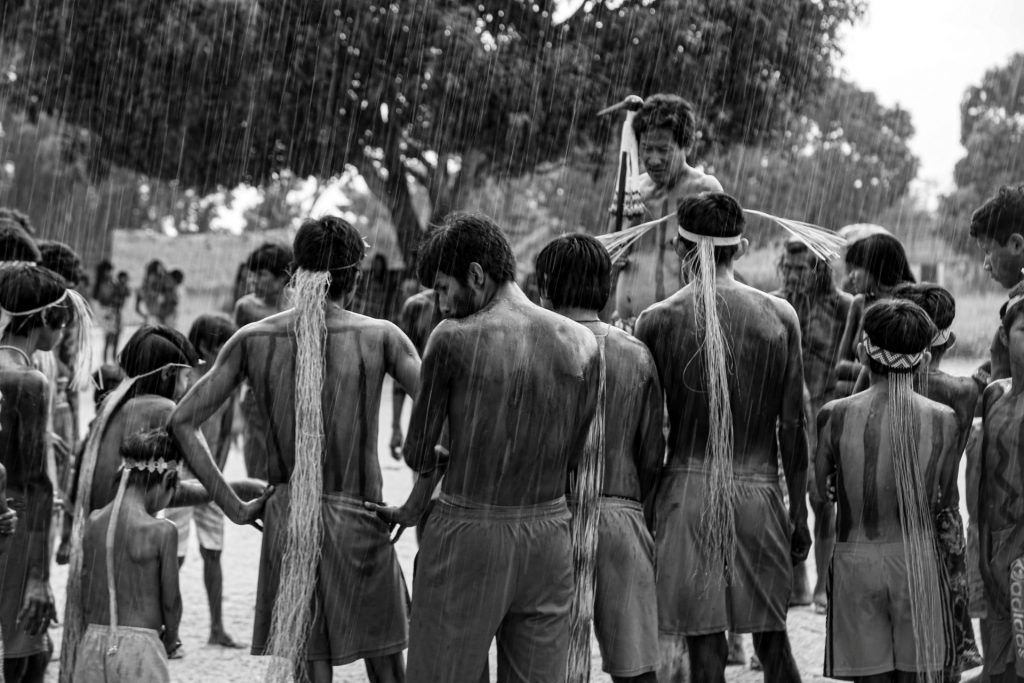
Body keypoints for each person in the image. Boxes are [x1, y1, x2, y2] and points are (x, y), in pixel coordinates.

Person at [171, 216, 419, 683]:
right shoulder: (381, 336)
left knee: (309, 663)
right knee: (386, 667)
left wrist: (234, 507)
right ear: (356, 275)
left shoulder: (253, 339)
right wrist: (414, 504)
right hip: (360, 517)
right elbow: (443, 418)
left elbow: (182, 421)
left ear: (295, 272)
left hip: (288, 521)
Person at [369, 212, 600, 682]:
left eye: (442, 287)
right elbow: (573, 455)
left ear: (476, 275)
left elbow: (417, 453)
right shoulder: (581, 343)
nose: (440, 303)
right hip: (550, 536)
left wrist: (439, 465)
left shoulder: (453, 339)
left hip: (470, 532)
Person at [635, 193, 809, 683]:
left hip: (687, 494)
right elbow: (794, 428)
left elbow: (650, 439)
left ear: (679, 247)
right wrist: (799, 511)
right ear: (743, 247)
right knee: (774, 646)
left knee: (705, 651)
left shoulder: (656, 321)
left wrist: (647, 510)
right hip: (758, 492)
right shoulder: (780, 316)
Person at [535, 233, 663, 683]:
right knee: (636, 670)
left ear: (545, 286)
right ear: (606, 288)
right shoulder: (637, 355)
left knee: (546, 665)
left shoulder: (534, 346)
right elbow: (651, 458)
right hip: (621, 519)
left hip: (549, 517)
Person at [817, 299, 958, 682]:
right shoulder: (944, 421)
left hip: (855, 560)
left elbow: (822, 492)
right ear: (924, 361)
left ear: (863, 352)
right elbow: (944, 500)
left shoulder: (833, 415)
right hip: (917, 560)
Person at [0, 262, 86, 683]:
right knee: (19, 657)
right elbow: (36, 483)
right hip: (14, 533)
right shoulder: (28, 381)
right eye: (64, 320)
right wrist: (37, 578)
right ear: (47, 319)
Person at [772, 238, 853, 611]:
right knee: (788, 499)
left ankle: (825, 583)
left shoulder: (844, 307)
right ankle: (798, 581)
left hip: (826, 413)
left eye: (799, 269)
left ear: (819, 269)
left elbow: (852, 367)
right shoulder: (773, 303)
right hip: (786, 416)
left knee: (824, 499)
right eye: (786, 267)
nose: (790, 276)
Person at [72, 429, 184, 683]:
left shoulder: (95, 520)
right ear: (168, 477)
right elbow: (171, 601)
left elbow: (86, 593)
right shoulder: (162, 531)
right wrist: (171, 637)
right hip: (140, 651)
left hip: (93, 645)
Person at [607, 94, 723, 332]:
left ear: (686, 146)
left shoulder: (704, 191)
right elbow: (607, 256)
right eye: (646, 149)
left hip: (680, 328)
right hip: (626, 326)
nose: (653, 159)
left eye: (663, 149)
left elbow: (721, 268)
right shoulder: (631, 191)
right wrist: (614, 256)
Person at [164, 314, 241, 648]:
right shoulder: (185, 382)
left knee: (214, 551)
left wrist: (216, 478)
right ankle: (169, 629)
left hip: (211, 476)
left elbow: (224, 435)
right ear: (208, 346)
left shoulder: (226, 382)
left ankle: (217, 628)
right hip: (181, 474)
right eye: (225, 344)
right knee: (174, 554)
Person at [978, 285, 1024, 683]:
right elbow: (982, 484)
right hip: (994, 547)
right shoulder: (995, 395)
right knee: (999, 662)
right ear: (1006, 336)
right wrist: (983, 550)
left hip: (1021, 551)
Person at [234, 243, 292, 479]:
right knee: (257, 474)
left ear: (282, 278)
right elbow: (235, 360)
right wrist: (235, 413)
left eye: (262, 274)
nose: (253, 280)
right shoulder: (246, 308)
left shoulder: (302, 306)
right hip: (256, 401)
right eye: (252, 274)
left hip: (291, 401)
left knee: (287, 474)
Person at [833, 233, 915, 397]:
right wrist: (882, 369)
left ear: (875, 267)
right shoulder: (858, 304)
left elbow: (917, 369)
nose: (851, 276)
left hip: (900, 396)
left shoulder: (910, 305)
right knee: (840, 387)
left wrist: (870, 370)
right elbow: (840, 367)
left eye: (856, 268)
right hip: (865, 392)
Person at [390, 286, 443, 461]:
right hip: (426, 410)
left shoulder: (474, 305)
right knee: (423, 472)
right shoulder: (417, 307)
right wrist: (396, 426)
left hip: (457, 412)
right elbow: (402, 367)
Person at [135, 260, 166, 324]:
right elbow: (137, 309)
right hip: (147, 323)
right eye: (155, 274)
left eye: (159, 275)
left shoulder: (163, 292)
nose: (157, 278)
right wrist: (146, 317)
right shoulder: (141, 291)